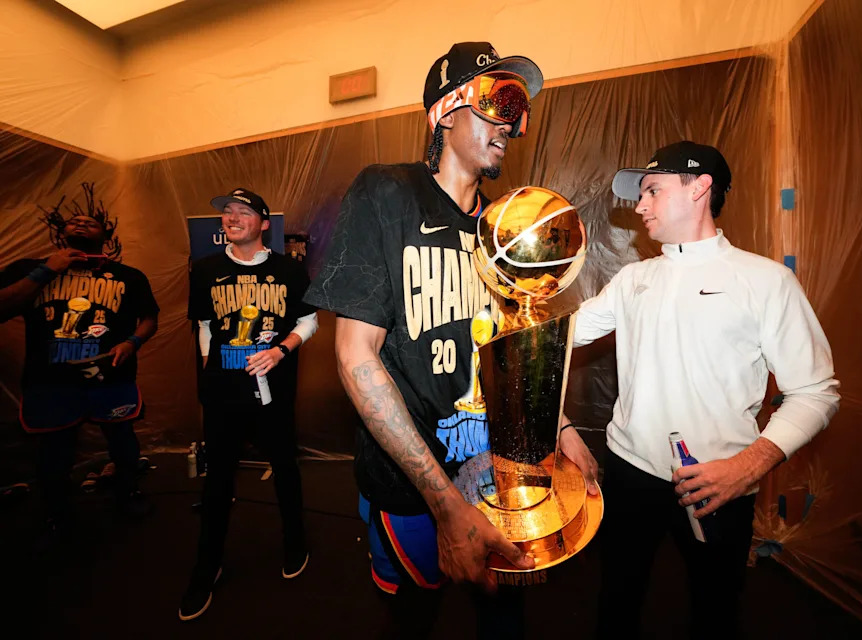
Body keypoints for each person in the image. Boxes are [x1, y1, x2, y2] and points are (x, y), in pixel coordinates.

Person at [303, 42, 599, 639]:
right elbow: (355, 355)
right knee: (413, 618)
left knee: (503, 617)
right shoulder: (385, 195)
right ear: (444, 110)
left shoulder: (502, 230)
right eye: (499, 101)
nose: (512, 125)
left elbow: (511, 348)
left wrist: (560, 427)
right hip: (413, 486)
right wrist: (443, 504)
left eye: (519, 112)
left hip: (495, 470)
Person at [574, 141, 841, 638]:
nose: (640, 206)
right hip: (630, 474)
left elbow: (816, 391)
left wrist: (747, 467)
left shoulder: (766, 282)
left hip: (720, 483)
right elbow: (561, 335)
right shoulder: (634, 280)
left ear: (700, 188)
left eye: (653, 190)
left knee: (714, 611)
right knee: (615, 599)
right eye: (641, 194)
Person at [179, 188, 319, 621]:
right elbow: (204, 324)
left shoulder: (289, 271)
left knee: (285, 466)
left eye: (242, 212)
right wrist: (209, 366)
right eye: (226, 212)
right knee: (218, 476)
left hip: (272, 389)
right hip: (224, 392)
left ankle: (295, 542)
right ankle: (208, 565)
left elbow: (309, 319)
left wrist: (281, 350)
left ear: (263, 224)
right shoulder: (204, 271)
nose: (231, 217)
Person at [0, 183, 159, 547]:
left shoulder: (128, 276)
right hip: (50, 379)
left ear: (106, 234)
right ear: (61, 233)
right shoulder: (31, 269)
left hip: (111, 377)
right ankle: (57, 514)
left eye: (90, 222)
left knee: (123, 442)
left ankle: (128, 496)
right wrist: (46, 272)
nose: (82, 223)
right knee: (54, 453)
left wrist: (132, 342)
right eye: (75, 221)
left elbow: (150, 318)